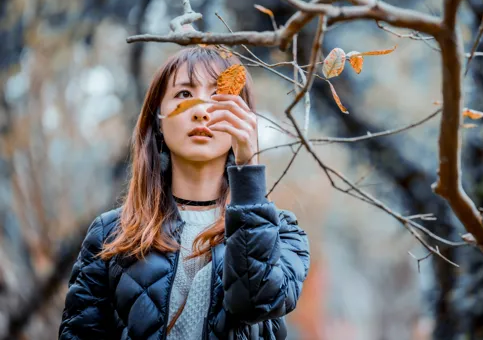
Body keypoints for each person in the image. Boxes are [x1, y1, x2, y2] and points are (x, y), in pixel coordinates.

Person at [58, 46, 310, 339]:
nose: (202, 110)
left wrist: (248, 170)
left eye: (219, 96)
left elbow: (254, 304)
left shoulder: (282, 234)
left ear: (244, 119)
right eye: (184, 95)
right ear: (159, 121)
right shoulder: (110, 235)